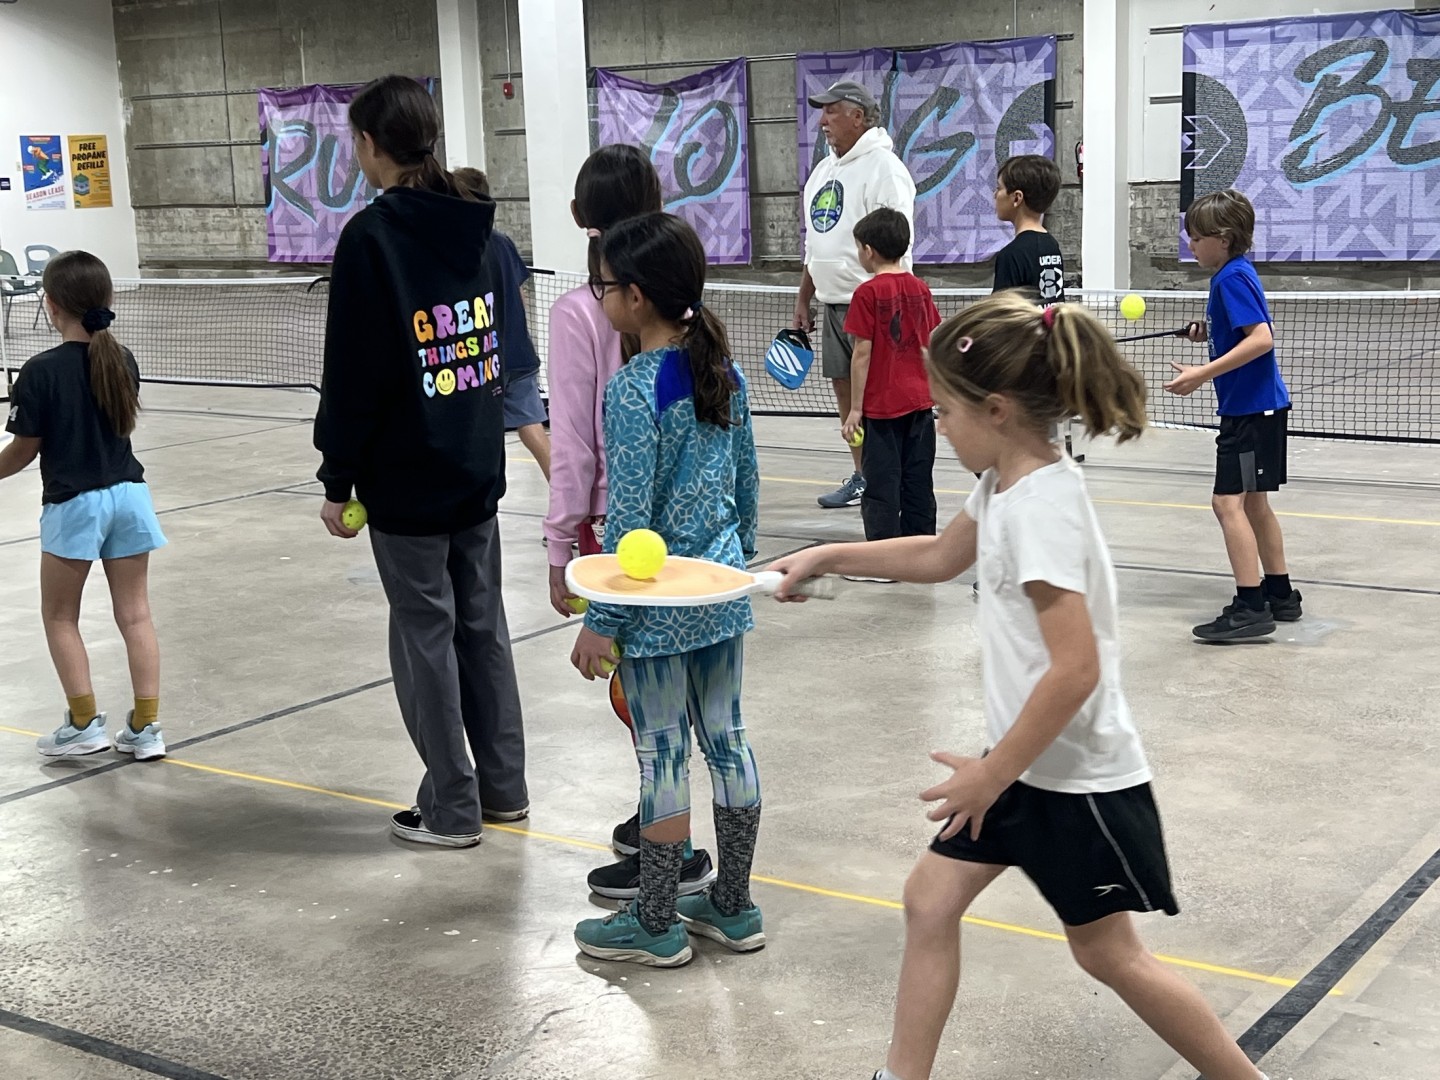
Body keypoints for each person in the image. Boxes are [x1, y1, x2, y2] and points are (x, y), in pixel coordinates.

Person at [769, 293, 1270, 1080]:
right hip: (1018, 766)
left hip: (1073, 781)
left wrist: (990, 775)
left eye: (945, 411)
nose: (938, 427)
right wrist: (828, 556)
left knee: (1108, 954)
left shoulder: (1042, 507)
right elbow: (940, 556)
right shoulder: (1004, 482)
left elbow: (1076, 669)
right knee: (930, 901)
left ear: (996, 410)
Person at [314, 74, 526, 848]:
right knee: (483, 628)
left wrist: (337, 478)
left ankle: (453, 808)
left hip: (406, 481)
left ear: (371, 144)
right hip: (475, 466)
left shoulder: (371, 239)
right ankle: (504, 790)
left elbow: (354, 373)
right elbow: (495, 355)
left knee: (425, 639)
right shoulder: (483, 234)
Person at [570, 212, 763, 968]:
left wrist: (602, 617)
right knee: (728, 740)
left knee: (662, 755)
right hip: (720, 592)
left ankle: (655, 922)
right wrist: (733, 560)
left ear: (637, 296)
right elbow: (746, 485)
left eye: (604, 287)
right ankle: (733, 907)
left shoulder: (633, 389)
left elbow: (629, 521)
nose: (601, 299)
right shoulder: (725, 371)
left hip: (657, 608)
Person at [542, 146, 715, 899]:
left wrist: (560, 544)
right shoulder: (682, 311)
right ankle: (658, 822)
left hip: (622, 532)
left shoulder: (580, 312)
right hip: (690, 531)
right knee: (668, 698)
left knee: (647, 702)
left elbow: (575, 446)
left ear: (580, 216)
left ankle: (670, 856)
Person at [0, 251, 167, 761]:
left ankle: (82, 724)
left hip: (75, 505)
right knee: (136, 616)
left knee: (59, 616)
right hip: (131, 498)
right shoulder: (122, 359)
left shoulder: (39, 371)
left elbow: (23, 452)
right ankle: (146, 728)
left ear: (51, 304)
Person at [1165, 188, 1301, 641]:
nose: (1191, 245)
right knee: (1255, 504)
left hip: (1249, 412)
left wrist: (1201, 373)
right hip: (1261, 408)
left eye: (1196, 237)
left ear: (1222, 239)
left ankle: (1250, 606)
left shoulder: (1229, 279)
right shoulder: (1235, 272)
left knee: (1226, 504)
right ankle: (1280, 594)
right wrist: (1210, 333)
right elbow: (1249, 329)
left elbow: (1262, 338)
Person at [795, 79, 916, 510]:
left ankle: (890, 478)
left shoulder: (885, 168)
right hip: (832, 305)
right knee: (846, 396)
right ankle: (864, 476)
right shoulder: (822, 172)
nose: (822, 121)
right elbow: (815, 243)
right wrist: (804, 298)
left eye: (831, 111)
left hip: (876, 307)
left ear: (858, 117)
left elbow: (896, 239)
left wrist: (888, 300)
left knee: (880, 397)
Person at [842, 208, 939, 554]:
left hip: (882, 409)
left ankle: (883, 556)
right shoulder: (920, 288)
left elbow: (862, 353)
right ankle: (922, 549)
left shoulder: (866, 294)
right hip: (920, 405)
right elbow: (932, 342)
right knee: (918, 479)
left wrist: (855, 409)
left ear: (868, 250)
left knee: (882, 484)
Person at [454, 167, 551, 483]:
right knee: (533, 429)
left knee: (480, 433)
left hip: (482, 360)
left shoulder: (461, 249)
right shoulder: (503, 242)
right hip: (520, 354)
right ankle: (569, 500)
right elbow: (521, 296)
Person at [992, 153, 1066, 306]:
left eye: (999, 188)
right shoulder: (1051, 245)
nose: (995, 195)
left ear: (1017, 198)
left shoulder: (1011, 255)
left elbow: (1001, 314)